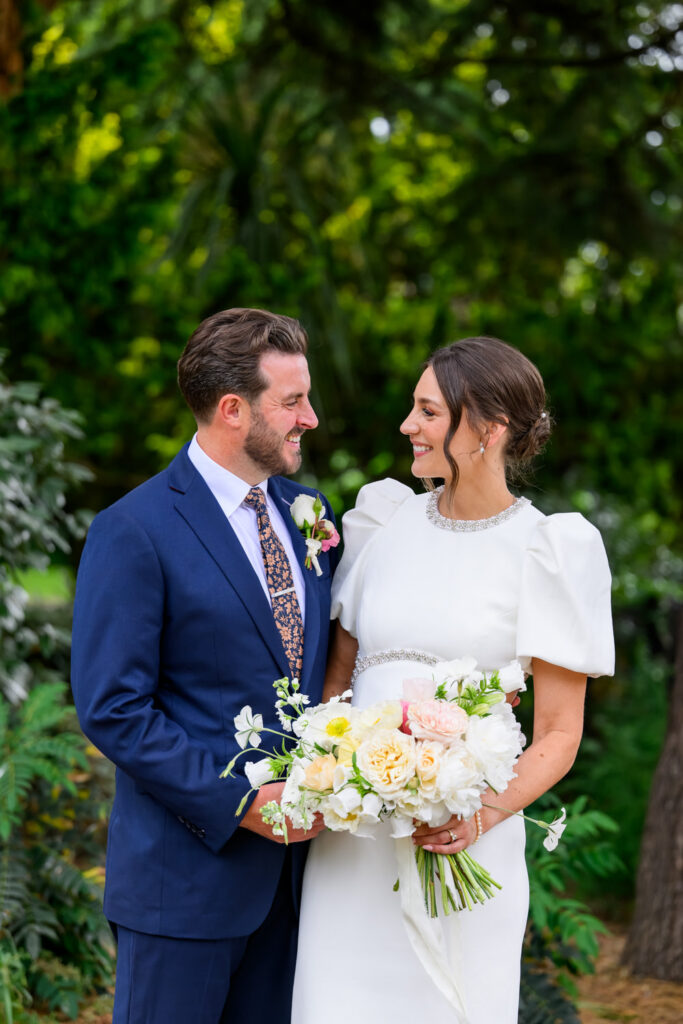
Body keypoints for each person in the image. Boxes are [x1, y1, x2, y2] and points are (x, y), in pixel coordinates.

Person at [291, 335, 614, 1024]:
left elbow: (558, 731)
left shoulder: (548, 549)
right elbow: (335, 684)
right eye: (413, 408)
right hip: (351, 842)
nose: (408, 425)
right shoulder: (382, 521)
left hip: (463, 837)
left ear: (488, 429)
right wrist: (328, 771)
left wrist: (481, 813)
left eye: (428, 411)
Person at [71, 308, 338, 1024]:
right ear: (231, 410)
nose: (309, 418)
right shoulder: (133, 529)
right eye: (291, 401)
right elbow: (113, 708)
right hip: (183, 885)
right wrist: (243, 802)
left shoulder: (310, 514)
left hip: (297, 889)